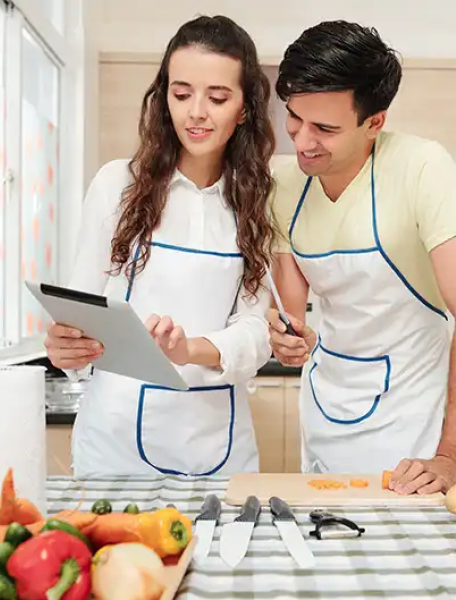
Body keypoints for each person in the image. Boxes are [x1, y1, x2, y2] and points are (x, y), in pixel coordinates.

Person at [268, 20, 456, 494]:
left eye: (325, 128)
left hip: (412, 415)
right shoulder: (282, 187)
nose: (303, 141)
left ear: (375, 122)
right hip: (326, 403)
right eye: (294, 117)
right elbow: (290, 313)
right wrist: (284, 336)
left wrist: (452, 457)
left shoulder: (422, 169)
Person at [44, 15, 276, 478]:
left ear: (245, 108)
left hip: (215, 447)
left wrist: (188, 348)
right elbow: (80, 308)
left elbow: (257, 334)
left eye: (218, 97)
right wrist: (64, 346)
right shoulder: (117, 184)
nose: (196, 112)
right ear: (164, 96)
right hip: (115, 444)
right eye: (182, 92)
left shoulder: (260, 199)